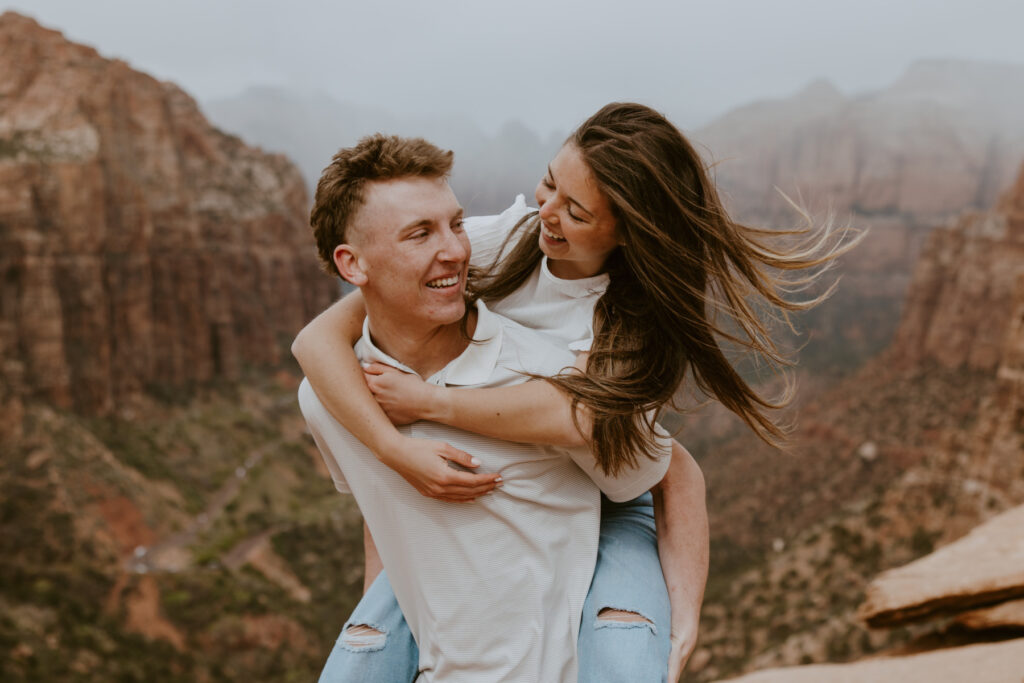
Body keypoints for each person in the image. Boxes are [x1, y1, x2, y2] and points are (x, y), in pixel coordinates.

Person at [296, 103, 853, 681]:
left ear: (627, 230)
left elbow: (600, 432)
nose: (547, 212)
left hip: (609, 489)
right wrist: (395, 450)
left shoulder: (627, 328)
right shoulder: (503, 239)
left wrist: (432, 404)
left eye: (577, 212)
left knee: (625, 653)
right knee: (364, 652)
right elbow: (318, 342)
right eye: (549, 183)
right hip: (511, 475)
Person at [298, 133, 679, 682]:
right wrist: (374, 637)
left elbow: (664, 472)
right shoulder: (329, 396)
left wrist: (681, 615)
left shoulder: (551, 381)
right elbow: (384, 513)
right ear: (352, 264)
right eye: (419, 233)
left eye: (456, 224)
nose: (455, 249)